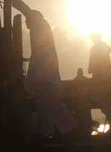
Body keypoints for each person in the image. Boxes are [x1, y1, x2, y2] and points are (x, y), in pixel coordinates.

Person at [25, 10, 76, 139]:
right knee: (47, 105)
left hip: (45, 78)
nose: (26, 23)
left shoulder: (40, 26)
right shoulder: (42, 29)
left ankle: (62, 130)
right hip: (44, 77)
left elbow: (41, 57)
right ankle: (52, 131)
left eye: (27, 20)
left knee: (49, 105)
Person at [88, 33, 111, 134]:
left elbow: (93, 64)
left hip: (101, 80)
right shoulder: (103, 46)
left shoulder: (96, 48)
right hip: (104, 79)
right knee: (105, 104)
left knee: (104, 103)